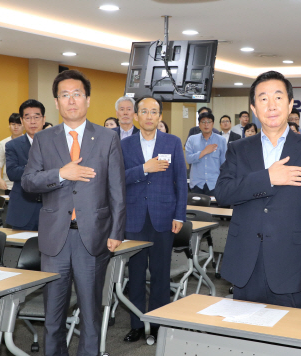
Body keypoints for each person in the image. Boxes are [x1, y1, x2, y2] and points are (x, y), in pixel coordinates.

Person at [21, 69, 126, 355]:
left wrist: (117, 231)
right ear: (56, 102)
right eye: (64, 95)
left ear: (88, 100)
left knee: (90, 313)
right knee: (53, 315)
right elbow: (28, 182)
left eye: (77, 94)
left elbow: (117, 188)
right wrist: (61, 173)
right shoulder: (44, 139)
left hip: (93, 238)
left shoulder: (107, 138)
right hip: (55, 239)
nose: (71, 100)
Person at [214, 70, 301, 308]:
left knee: (289, 337)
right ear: (254, 108)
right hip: (246, 261)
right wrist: (268, 177)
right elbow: (223, 193)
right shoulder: (239, 148)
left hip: (293, 263)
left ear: (290, 105)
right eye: (263, 98)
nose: (271, 105)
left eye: (278, 97)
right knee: (244, 336)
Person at [121, 96, 187, 342]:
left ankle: (159, 323)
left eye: (154, 112)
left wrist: (180, 214)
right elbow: (116, 179)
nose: (149, 116)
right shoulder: (125, 145)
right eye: (144, 111)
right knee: (135, 275)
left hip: (164, 218)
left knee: (161, 273)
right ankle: (137, 323)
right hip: (134, 219)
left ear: (160, 116)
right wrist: (143, 169)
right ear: (136, 116)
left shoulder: (172, 142)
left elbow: (180, 181)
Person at [5, 100, 45, 231]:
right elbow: (12, 173)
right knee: (20, 250)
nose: (32, 121)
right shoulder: (13, 145)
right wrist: (38, 167)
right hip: (22, 209)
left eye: (36, 117)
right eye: (27, 117)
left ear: (43, 119)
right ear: (22, 121)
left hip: (51, 209)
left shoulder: (57, 143)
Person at [185, 111, 227, 196]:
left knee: (214, 209)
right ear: (199, 124)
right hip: (197, 184)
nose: (206, 124)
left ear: (213, 124)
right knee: (196, 209)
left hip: (214, 183)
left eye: (209, 122)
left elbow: (224, 164)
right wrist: (204, 152)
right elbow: (188, 159)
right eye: (203, 122)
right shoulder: (192, 139)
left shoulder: (221, 140)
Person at [0, 113, 23, 194]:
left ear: (23, 126)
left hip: (26, 183)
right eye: (13, 124)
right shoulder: (3, 143)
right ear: (9, 126)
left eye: (19, 124)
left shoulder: (29, 141)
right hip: (8, 184)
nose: (16, 127)